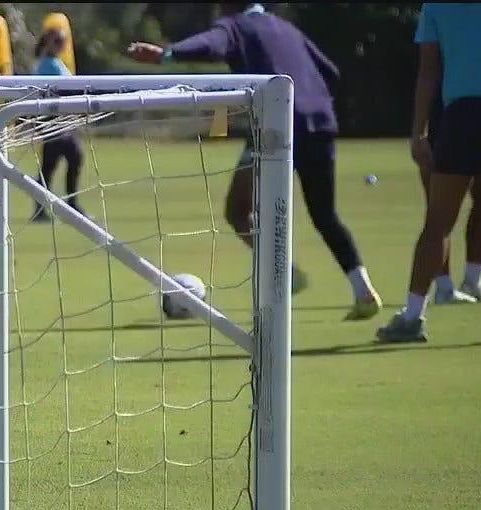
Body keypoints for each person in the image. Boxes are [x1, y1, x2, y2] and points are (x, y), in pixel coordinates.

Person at [127, 3, 383, 321]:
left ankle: (285, 273)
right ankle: (362, 289)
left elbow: (212, 44)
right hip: (319, 122)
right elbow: (330, 72)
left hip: (277, 125)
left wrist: (168, 54)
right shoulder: (287, 28)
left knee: (238, 210)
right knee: (324, 214)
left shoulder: (236, 26)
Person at [378, 3, 481, 345]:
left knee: (438, 221)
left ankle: (412, 316)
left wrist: (418, 131)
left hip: (463, 115)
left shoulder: (438, 6)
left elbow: (429, 70)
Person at [419, 83, 481, 305]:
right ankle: (443, 287)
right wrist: (419, 130)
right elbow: (428, 70)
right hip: (446, 109)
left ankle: (473, 280)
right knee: (439, 208)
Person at [30, 28, 84, 222]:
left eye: (63, 41)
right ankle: (68, 205)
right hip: (54, 122)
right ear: (48, 42)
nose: (61, 44)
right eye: (57, 41)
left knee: (55, 164)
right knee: (64, 160)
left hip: (62, 122)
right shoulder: (46, 65)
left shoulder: (55, 62)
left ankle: (59, 206)